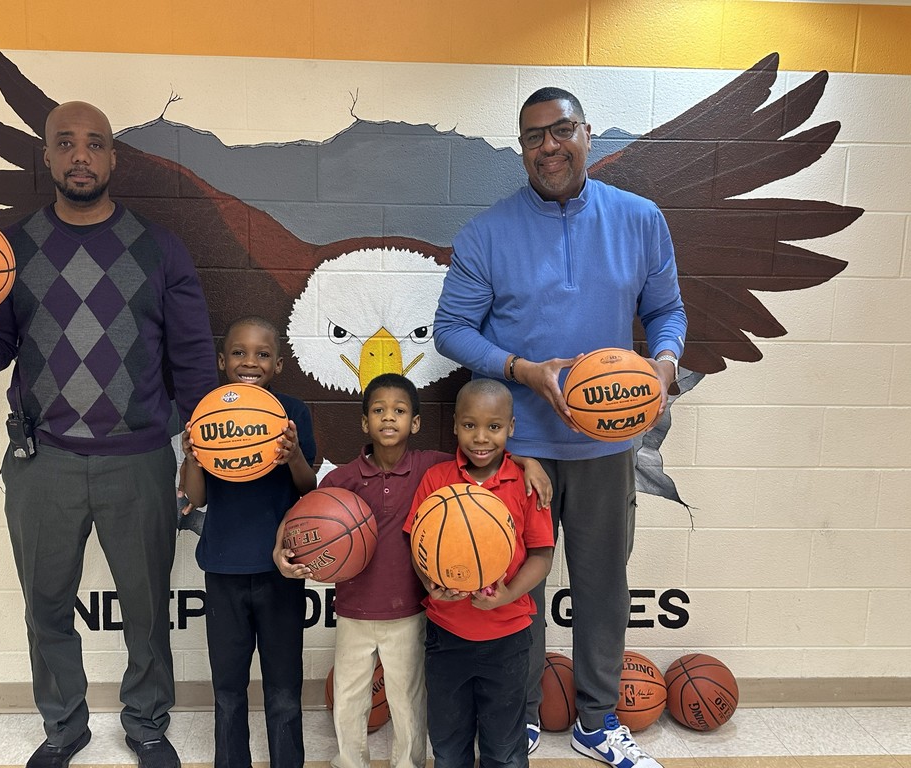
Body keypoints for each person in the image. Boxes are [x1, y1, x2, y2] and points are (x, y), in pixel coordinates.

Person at [0, 101, 218, 768]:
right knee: (45, 604)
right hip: (42, 462)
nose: (81, 156)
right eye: (66, 144)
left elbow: (195, 363)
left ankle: (145, 723)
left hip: (138, 461)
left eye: (95, 144)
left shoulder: (161, 247)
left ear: (112, 158)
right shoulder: (9, 251)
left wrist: (200, 456)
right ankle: (64, 726)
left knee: (147, 610)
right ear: (48, 158)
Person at [434, 87, 686, 768]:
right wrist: (521, 369)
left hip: (608, 445)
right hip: (521, 452)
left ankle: (596, 721)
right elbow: (452, 330)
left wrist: (663, 365)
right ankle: (515, 716)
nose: (547, 147)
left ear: (586, 133)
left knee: (604, 584)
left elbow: (667, 312)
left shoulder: (640, 219)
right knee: (518, 591)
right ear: (521, 149)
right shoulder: (488, 233)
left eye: (560, 130)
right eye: (532, 137)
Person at [275, 373, 550, 768]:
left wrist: (527, 461)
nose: (389, 419)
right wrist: (279, 549)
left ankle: (409, 763)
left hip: (413, 612)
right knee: (352, 695)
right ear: (364, 421)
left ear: (415, 423)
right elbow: (304, 509)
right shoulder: (355, 478)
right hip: (358, 608)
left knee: (408, 698)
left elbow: (488, 459)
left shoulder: (433, 467)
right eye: (379, 411)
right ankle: (349, 761)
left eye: (400, 411)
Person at [180, 315, 317, 768]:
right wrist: (192, 458)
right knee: (228, 689)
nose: (250, 362)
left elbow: (307, 490)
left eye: (262, 354)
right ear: (222, 361)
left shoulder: (293, 412)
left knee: (283, 688)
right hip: (223, 569)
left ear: (278, 364)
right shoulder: (208, 412)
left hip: (281, 570)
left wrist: (294, 454)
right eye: (239, 352)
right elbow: (195, 498)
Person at [403, 379, 554, 768]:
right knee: (449, 747)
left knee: (504, 749)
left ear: (511, 428)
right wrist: (430, 585)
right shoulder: (437, 479)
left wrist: (507, 594)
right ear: (455, 425)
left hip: (509, 635)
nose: (481, 437)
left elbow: (541, 554)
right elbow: (416, 546)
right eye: (470, 425)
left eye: (494, 427)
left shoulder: (526, 483)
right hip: (446, 634)